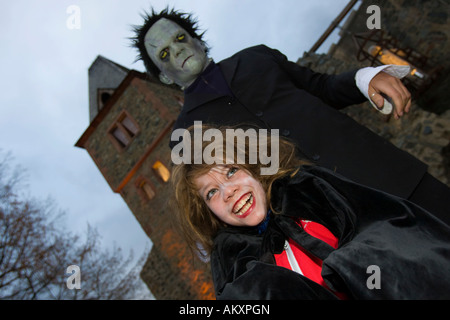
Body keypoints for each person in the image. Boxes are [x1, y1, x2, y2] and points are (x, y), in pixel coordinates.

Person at [131, 7, 450, 224]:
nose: (177, 50)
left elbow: (322, 87)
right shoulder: (185, 137)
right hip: (330, 227)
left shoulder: (257, 57)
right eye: (164, 54)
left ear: (196, 39)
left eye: (179, 38)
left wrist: (363, 78)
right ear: (164, 77)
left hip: (389, 174)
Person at [171, 125, 450, 300]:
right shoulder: (237, 266)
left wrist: (350, 264)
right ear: (209, 212)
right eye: (212, 193)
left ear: (254, 167)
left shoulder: (311, 191)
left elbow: (387, 224)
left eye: (231, 171)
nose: (228, 191)